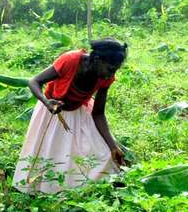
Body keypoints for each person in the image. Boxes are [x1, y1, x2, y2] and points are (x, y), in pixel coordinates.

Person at [13, 38, 128, 194]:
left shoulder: (105, 78)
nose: (111, 74)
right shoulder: (71, 60)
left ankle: (81, 192)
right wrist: (46, 102)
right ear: (97, 59)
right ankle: (48, 193)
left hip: (79, 112)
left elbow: (99, 113)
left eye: (115, 70)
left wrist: (113, 146)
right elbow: (34, 81)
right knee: (53, 156)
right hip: (51, 112)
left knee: (104, 155)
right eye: (110, 69)